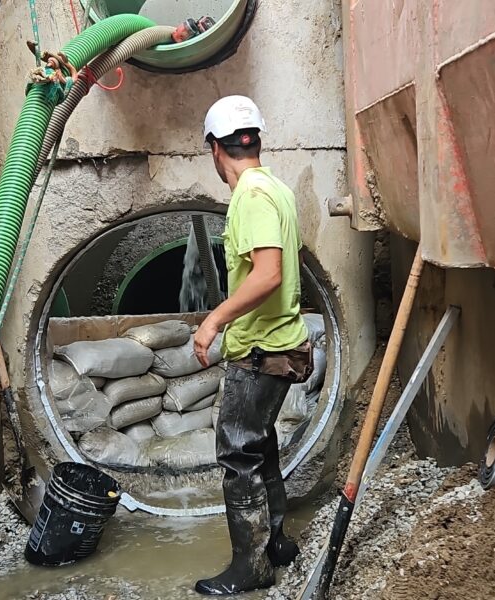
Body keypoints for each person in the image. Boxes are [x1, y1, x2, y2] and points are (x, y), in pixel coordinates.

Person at [192, 95, 313, 595]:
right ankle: (277, 543)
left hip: (263, 351)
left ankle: (252, 566)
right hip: (277, 344)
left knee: (237, 451)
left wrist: (213, 321)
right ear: (255, 140)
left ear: (215, 149)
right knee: (260, 447)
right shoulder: (277, 189)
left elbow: (267, 275)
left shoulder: (252, 196)